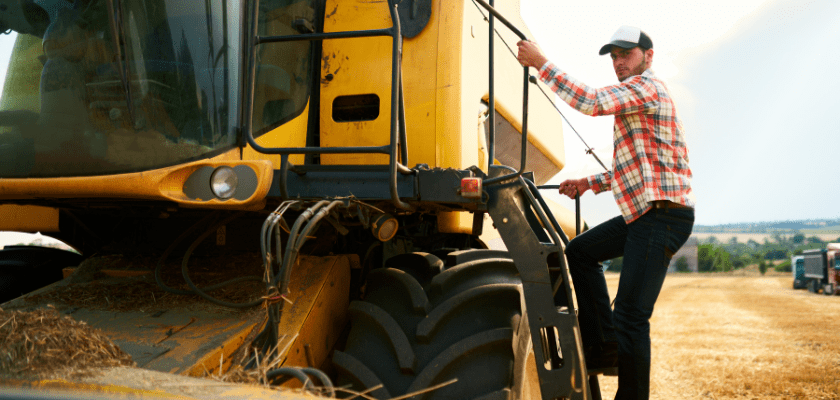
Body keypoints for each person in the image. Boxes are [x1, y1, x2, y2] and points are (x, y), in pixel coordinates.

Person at [517, 26, 696, 400]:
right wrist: (588, 183)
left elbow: (592, 101)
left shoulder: (648, 88)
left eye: (625, 54)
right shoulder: (637, 102)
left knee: (631, 316)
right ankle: (602, 345)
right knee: (580, 252)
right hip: (644, 215)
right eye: (613, 57)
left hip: (662, 216)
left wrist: (541, 63)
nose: (618, 63)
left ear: (648, 55)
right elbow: (634, 170)